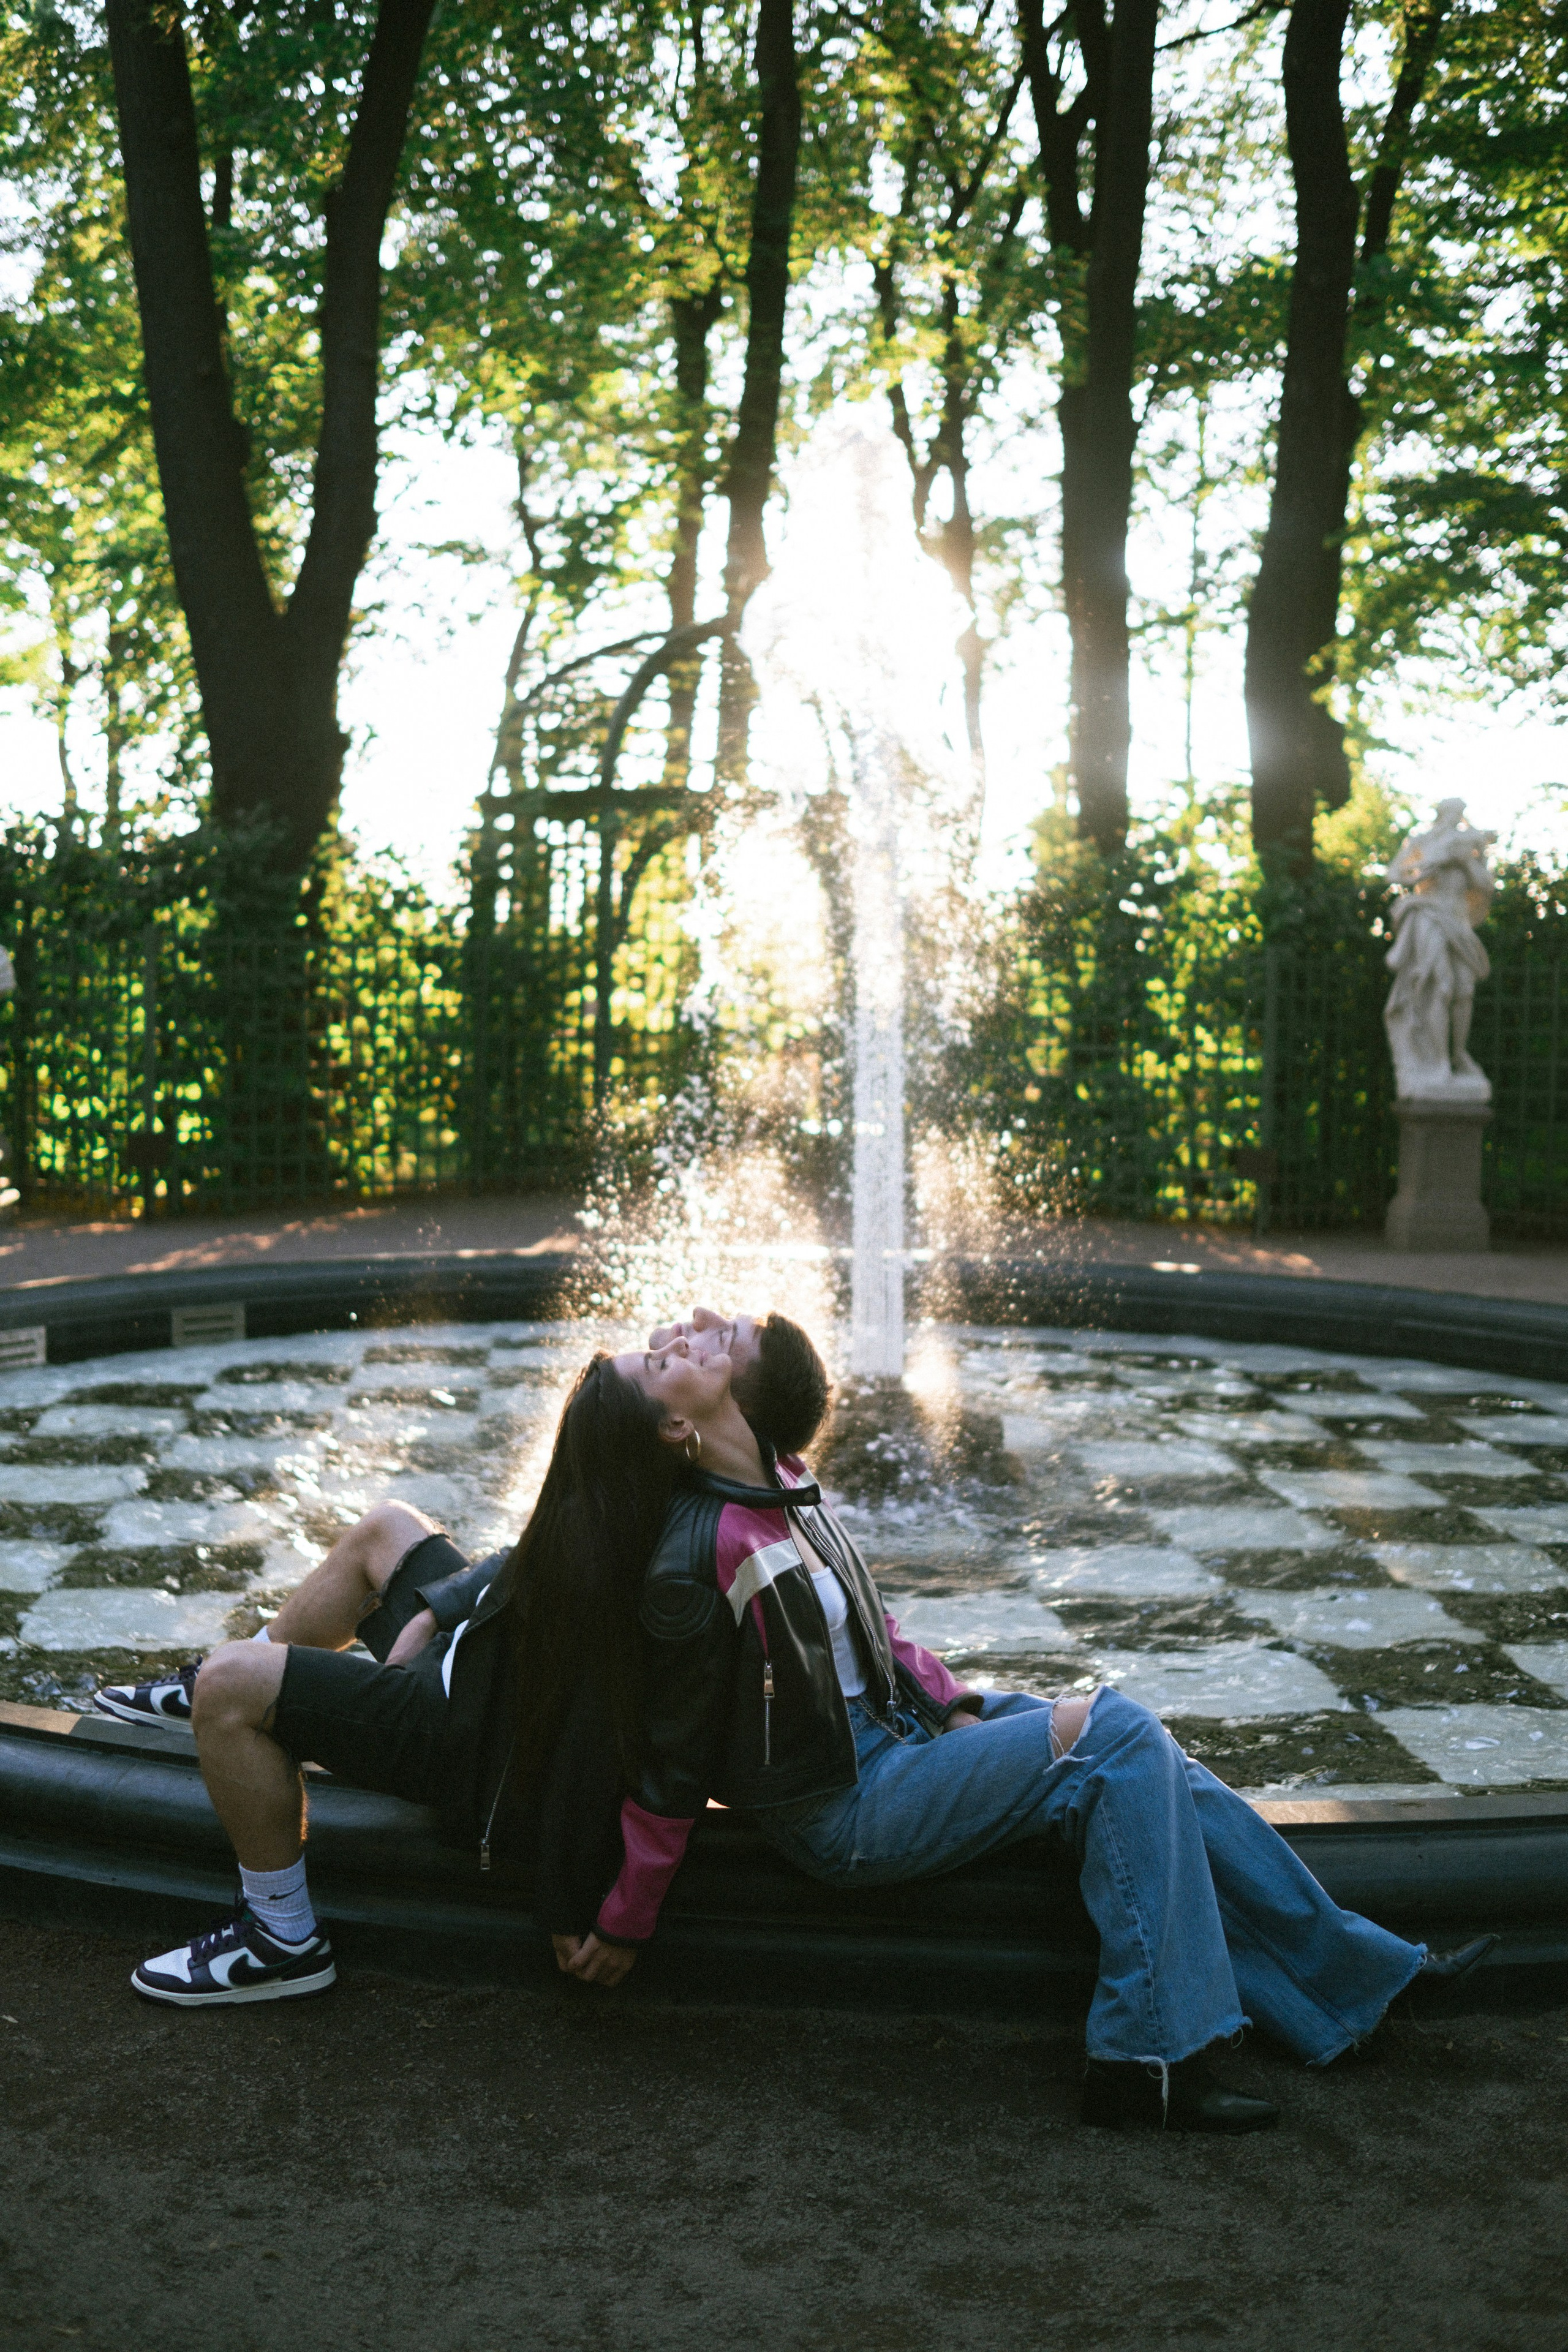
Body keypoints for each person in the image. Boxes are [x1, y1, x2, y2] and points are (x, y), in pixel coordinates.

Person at [574, 1318, 1494, 2133]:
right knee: (1118, 1735)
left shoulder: (784, 1481)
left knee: (1146, 1756)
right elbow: (671, 1751)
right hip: (844, 1805)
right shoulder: (700, 1551)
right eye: (671, 1357)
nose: (691, 1329)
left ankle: (1353, 1992)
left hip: (905, 1734)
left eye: (715, 1334)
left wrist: (958, 1704)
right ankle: (1146, 2060)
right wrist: (624, 1918)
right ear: (678, 1425)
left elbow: (871, 1628)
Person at [116, 1310, 826, 2008]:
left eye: (699, 1352)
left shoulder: (663, 1560)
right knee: (388, 1528)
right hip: (473, 1660)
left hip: (456, 1732)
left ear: (693, 1414)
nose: (684, 1336)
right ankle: (248, 1687)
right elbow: (541, 1549)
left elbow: (603, 1744)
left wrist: (580, 1903)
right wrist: (440, 1608)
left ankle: (280, 1938)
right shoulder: (681, 1479)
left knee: (229, 1683)